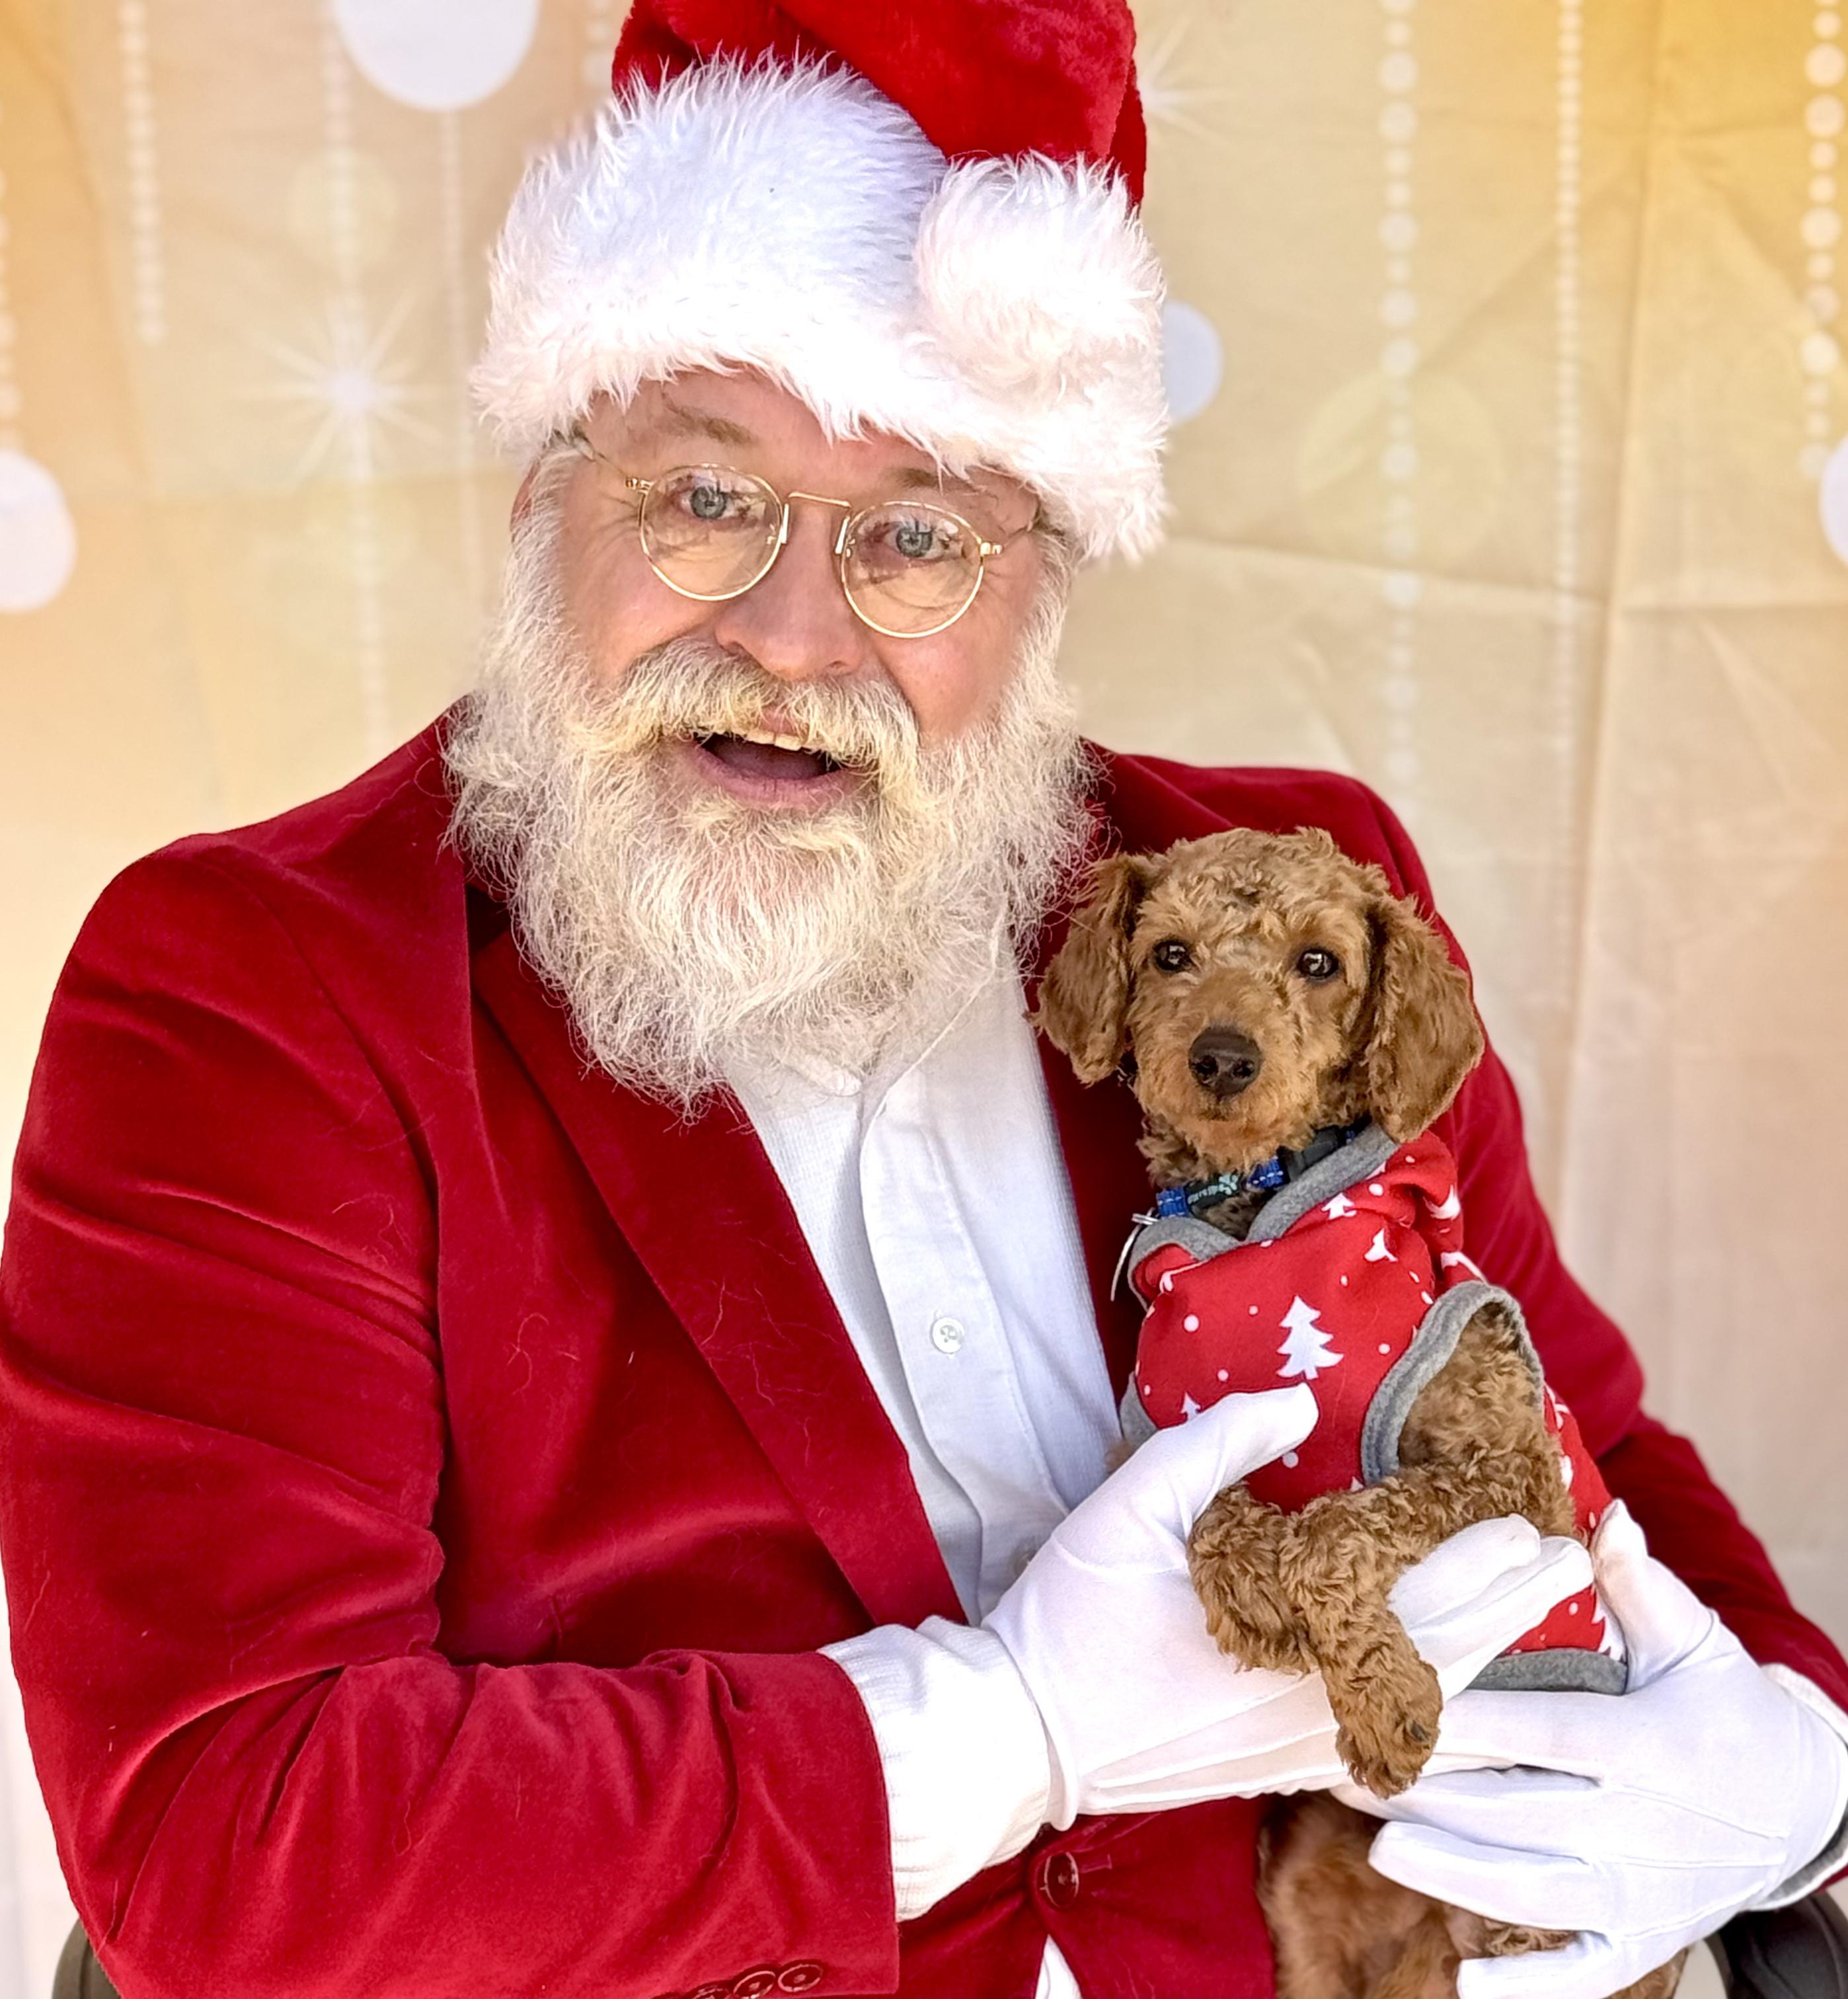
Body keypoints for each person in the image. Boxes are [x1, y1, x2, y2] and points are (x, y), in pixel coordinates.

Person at [2, 5, 1844, 1998]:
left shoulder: (1285, 907)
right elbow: (232, 1836)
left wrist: (1802, 1784)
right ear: (549, 497)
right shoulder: (245, 994)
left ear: (1040, 581)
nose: (792, 639)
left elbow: (1571, 1438)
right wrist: (1005, 1731)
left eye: (915, 541)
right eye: (702, 499)